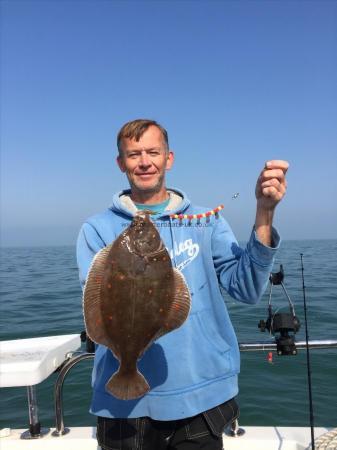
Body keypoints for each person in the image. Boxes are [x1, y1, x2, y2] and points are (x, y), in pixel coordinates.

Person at [76, 119, 288, 450]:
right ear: (121, 163)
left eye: (152, 152)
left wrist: (264, 213)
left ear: (168, 158)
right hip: (122, 407)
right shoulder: (97, 228)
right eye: (134, 154)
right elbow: (99, 301)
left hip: (202, 399)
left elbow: (247, 289)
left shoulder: (206, 221)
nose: (144, 161)